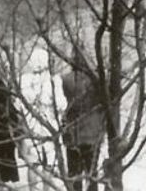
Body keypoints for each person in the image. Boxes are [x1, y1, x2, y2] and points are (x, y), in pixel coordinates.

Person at [18, 47, 64, 186]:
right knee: (48, 163)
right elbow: (61, 104)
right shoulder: (53, 80)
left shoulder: (23, 80)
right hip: (49, 125)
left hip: (30, 126)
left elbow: (18, 105)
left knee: (33, 163)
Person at [60, 53, 103, 191]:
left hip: (73, 133)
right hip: (92, 134)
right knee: (92, 175)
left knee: (74, 175)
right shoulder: (96, 80)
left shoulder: (66, 79)